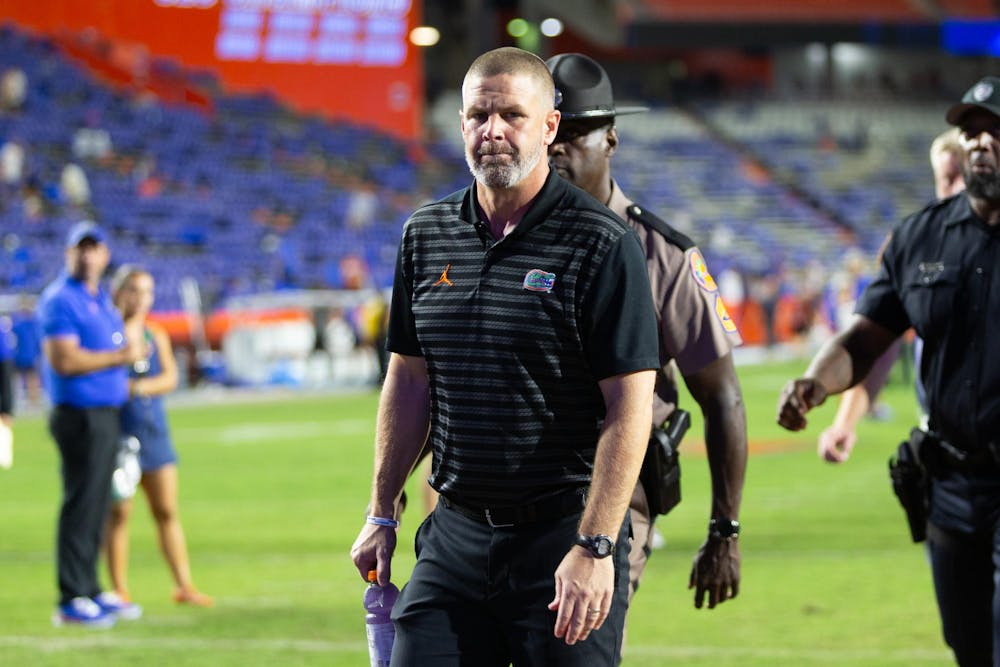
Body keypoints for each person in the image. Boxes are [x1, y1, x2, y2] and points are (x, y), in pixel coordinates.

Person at [350, 46, 659, 665]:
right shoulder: (424, 233)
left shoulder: (601, 242)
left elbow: (628, 410)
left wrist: (596, 546)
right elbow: (407, 382)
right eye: (477, 116)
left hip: (562, 533)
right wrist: (382, 512)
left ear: (548, 126)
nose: (492, 130)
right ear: (461, 124)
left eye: (512, 115)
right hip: (454, 534)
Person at [777, 77, 1000, 667]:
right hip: (951, 485)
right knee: (969, 645)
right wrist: (816, 383)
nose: (981, 144)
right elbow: (867, 335)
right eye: (972, 133)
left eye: (995, 132)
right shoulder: (920, 235)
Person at [545, 52, 747, 622]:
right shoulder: (504, 239)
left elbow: (723, 395)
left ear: (611, 140)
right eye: (550, 130)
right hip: (505, 501)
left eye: (577, 132)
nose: (558, 147)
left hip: (611, 506)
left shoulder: (665, 256)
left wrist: (724, 530)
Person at [817, 127, 966, 463]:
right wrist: (844, 423)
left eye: (964, 177)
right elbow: (872, 346)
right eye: (948, 178)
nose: (956, 188)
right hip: (941, 446)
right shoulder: (917, 248)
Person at [38, 221, 146, 627]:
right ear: (69, 254)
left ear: (104, 254)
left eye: (93, 248)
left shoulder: (99, 297)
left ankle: (90, 587)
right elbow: (64, 360)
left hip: (105, 414)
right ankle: (71, 596)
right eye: (79, 248)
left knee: (98, 504)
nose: (87, 255)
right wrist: (119, 360)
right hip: (78, 416)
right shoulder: (60, 299)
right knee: (81, 503)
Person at [104, 266, 213, 609]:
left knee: (166, 510)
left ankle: (184, 585)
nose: (140, 298)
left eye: (147, 292)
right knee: (119, 513)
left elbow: (169, 378)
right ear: (119, 292)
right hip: (117, 434)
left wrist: (136, 387)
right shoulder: (106, 334)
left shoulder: (155, 335)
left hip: (153, 432)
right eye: (134, 290)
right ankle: (120, 589)